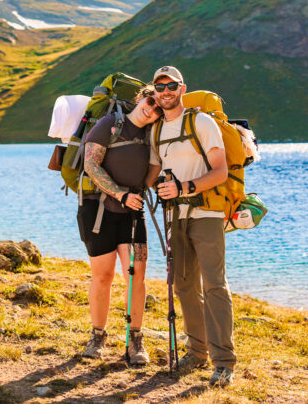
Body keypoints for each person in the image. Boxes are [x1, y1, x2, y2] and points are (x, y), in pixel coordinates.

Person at [149, 65, 235, 387]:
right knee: (184, 285)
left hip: (207, 214)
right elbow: (153, 171)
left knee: (214, 285)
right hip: (175, 217)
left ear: (182, 88)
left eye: (171, 85)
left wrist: (184, 188)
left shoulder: (202, 122)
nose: (166, 91)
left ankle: (223, 362)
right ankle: (197, 353)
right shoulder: (156, 130)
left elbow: (220, 171)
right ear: (155, 93)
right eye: (160, 87)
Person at [78, 85, 164, 364]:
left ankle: (135, 341)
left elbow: (152, 172)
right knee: (103, 276)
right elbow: (91, 165)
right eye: (151, 101)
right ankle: (98, 336)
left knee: (136, 275)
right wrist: (120, 194)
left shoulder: (152, 135)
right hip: (99, 211)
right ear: (141, 98)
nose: (151, 110)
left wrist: (137, 192)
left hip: (133, 211)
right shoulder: (109, 124)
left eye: (158, 110)